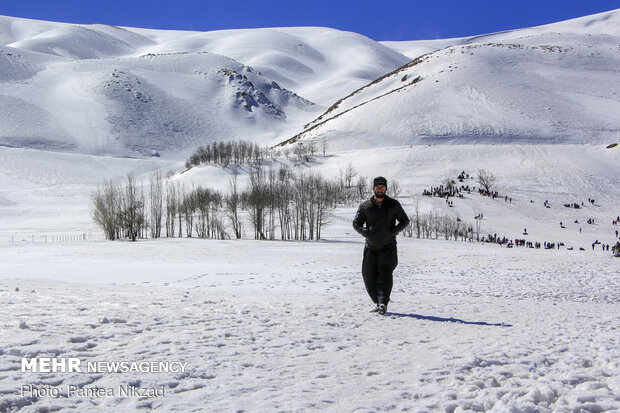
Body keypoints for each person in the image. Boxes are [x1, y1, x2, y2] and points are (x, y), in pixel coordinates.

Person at [352, 176, 410, 315]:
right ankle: (377, 302)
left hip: (388, 247)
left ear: (386, 188)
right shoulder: (366, 206)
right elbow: (356, 223)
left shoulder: (393, 204)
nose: (380, 188)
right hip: (371, 247)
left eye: (382, 186)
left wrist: (393, 232)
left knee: (385, 275)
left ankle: (383, 302)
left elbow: (405, 221)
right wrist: (365, 233)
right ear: (373, 188)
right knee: (368, 276)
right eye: (377, 186)